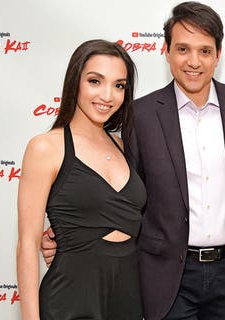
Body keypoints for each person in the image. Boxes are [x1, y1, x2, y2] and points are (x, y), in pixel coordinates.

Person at [41, 2, 225, 319]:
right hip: (166, 275)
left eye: (204, 50)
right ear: (166, 50)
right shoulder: (139, 116)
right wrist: (65, 232)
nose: (193, 61)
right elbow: (122, 191)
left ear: (218, 53)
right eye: (183, 49)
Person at [16, 39, 144, 320]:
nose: (107, 95)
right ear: (75, 81)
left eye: (119, 85)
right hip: (70, 301)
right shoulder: (46, 148)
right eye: (95, 81)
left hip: (127, 301)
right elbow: (27, 244)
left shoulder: (123, 146)